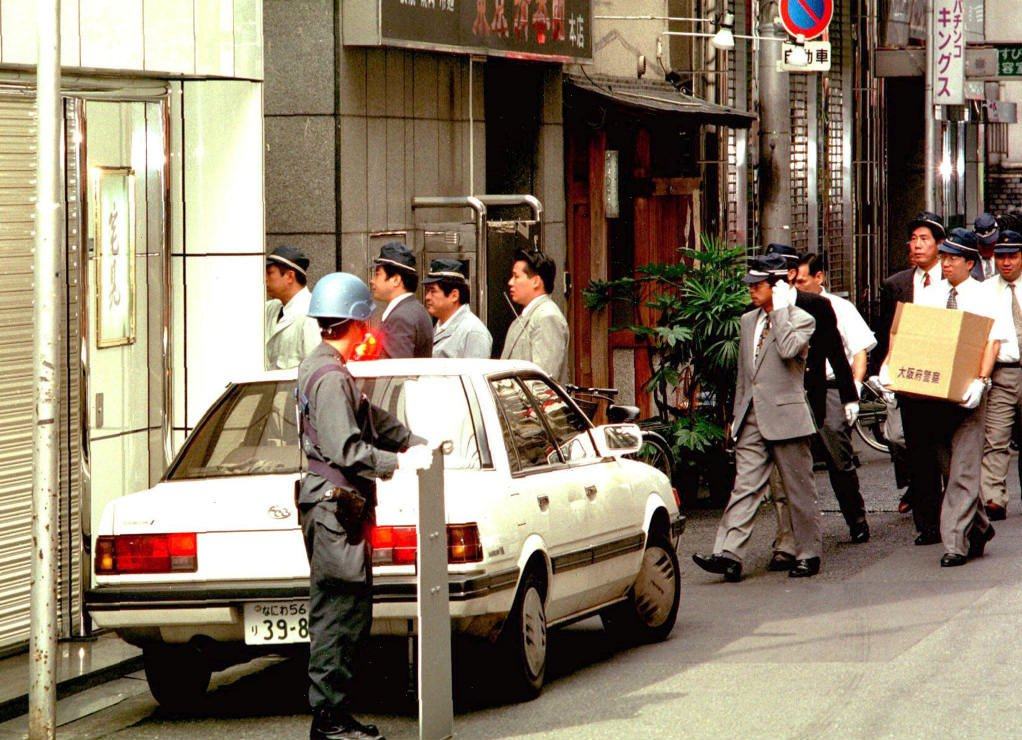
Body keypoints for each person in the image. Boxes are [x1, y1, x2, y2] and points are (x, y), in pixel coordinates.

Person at [298, 272, 431, 740]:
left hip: (330, 505)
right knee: (341, 613)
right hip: (336, 507)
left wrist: (412, 440)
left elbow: (369, 417)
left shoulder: (320, 367)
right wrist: (399, 461)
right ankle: (330, 719)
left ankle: (333, 715)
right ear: (357, 322)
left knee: (342, 611)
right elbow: (347, 447)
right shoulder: (333, 378)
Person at [692, 254, 822, 582]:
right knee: (745, 486)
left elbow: (789, 349)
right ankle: (729, 553)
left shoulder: (802, 319)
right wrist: (736, 416)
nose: (751, 290)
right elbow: (744, 374)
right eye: (749, 285)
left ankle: (808, 553)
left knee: (798, 489)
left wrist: (780, 311)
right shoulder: (748, 320)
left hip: (787, 416)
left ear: (777, 286)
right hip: (751, 415)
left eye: (758, 285)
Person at [878, 229, 1004, 566]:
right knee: (949, 467)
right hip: (936, 396)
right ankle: (980, 527)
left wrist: (981, 381)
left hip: (969, 395)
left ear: (969, 263)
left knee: (963, 470)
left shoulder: (986, 296)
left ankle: (955, 544)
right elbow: (907, 332)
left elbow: (993, 341)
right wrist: (891, 366)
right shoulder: (931, 294)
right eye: (944, 257)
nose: (945, 264)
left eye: (952, 258)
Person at [761, 244, 861, 568]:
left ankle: (854, 519)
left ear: (790, 275)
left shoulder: (817, 305)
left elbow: (836, 351)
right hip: (778, 403)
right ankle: (786, 542)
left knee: (833, 463)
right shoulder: (759, 308)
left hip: (813, 396)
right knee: (780, 480)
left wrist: (849, 396)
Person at [792, 252, 876, 543]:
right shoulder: (786, 308)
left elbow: (858, 351)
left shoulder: (839, 308)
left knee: (839, 458)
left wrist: (854, 390)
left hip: (830, 389)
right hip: (794, 388)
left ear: (819, 277)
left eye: (801, 281)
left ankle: (856, 519)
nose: (796, 287)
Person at [872, 211, 949, 518]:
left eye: (924, 239)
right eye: (913, 239)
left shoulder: (953, 280)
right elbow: (885, 331)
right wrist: (883, 370)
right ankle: (927, 522)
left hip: (946, 377)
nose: (916, 245)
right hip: (911, 378)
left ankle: (957, 516)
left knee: (947, 451)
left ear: (940, 245)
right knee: (917, 449)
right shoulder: (896, 285)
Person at [980, 230, 1022, 521]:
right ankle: (994, 497)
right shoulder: (984, 291)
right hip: (1001, 373)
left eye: (1013, 256)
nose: (1006, 263)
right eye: (1001, 257)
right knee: (995, 438)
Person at [500, 248, 570, 383]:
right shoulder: (525, 317)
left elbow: (543, 381)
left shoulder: (547, 317)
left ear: (536, 281)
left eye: (516, 276)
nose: (510, 282)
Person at [368, 242, 433, 359]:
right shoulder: (415, 309)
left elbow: (397, 369)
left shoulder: (400, 318)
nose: (372, 281)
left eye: (377, 274)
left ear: (396, 280)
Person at [421, 258, 493, 359]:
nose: (427, 297)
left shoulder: (473, 332)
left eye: (433, 291)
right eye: (427, 291)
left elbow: (474, 369)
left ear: (454, 295)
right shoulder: (439, 327)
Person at [264, 245, 320, 370]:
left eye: (270, 273)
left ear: (290, 276)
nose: (265, 279)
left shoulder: (311, 314)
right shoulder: (271, 308)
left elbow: (314, 367)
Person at [973, 212, 1000, 281]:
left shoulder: (1006, 260)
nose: (987, 248)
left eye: (990, 244)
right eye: (983, 245)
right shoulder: (967, 263)